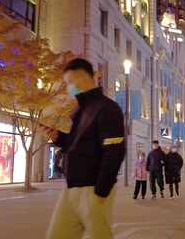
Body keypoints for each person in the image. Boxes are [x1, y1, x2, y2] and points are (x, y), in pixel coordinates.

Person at [45, 58, 126, 239]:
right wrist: (59, 137)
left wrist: (101, 191)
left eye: (71, 81)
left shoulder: (108, 108)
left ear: (87, 77)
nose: (69, 87)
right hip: (72, 187)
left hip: (93, 188)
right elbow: (75, 144)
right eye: (67, 83)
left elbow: (114, 151)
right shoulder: (79, 111)